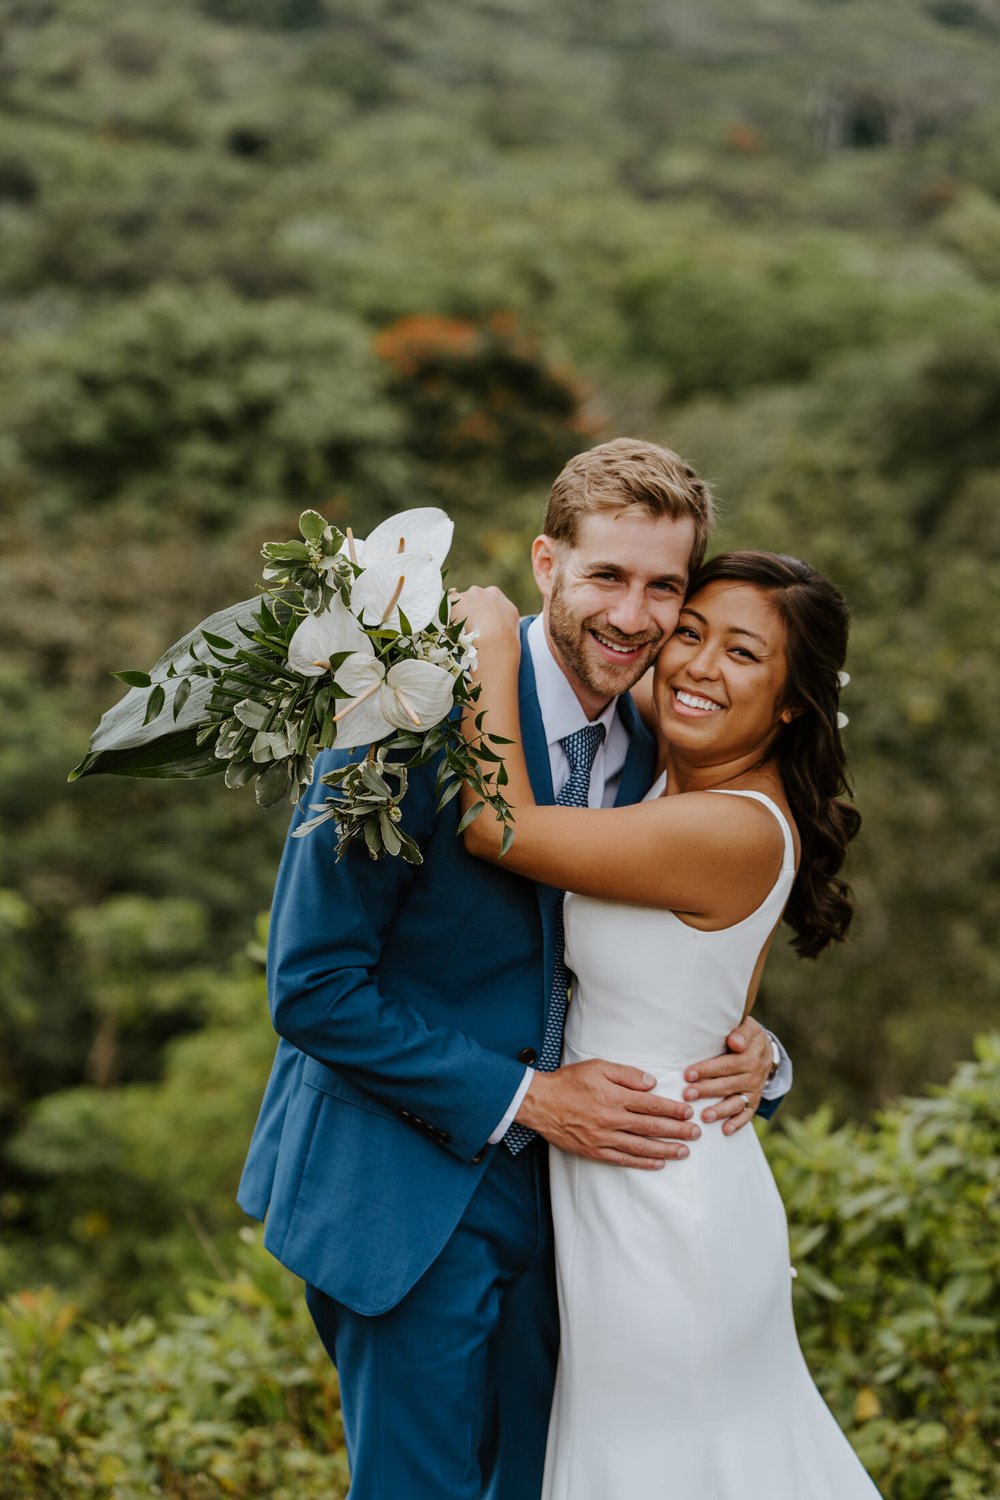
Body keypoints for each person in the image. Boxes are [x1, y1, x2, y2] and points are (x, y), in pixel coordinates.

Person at [237, 439, 793, 1500]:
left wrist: (755, 1055)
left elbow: (670, 948)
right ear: (546, 563)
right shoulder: (401, 713)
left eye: (662, 587)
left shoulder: (659, 745)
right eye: (607, 577)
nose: (633, 617)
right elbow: (311, 986)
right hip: (404, 1188)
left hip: (580, 1217)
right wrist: (529, 1098)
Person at [454, 550, 879, 1498]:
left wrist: (488, 645)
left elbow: (498, 830)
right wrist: (761, 1051)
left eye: (742, 654)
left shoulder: (731, 825)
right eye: (690, 632)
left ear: (793, 702)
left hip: (665, 1205)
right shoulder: (688, 751)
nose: (696, 666)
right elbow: (609, 669)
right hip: (626, 1178)